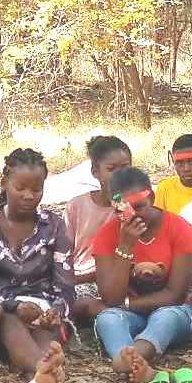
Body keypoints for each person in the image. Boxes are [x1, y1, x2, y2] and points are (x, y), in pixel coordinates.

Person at [0, 149, 74, 383]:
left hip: (44, 310)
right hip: (1, 311)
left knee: (46, 334)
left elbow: (66, 282)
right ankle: (41, 369)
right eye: (20, 188)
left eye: (36, 190)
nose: (29, 196)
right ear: (4, 183)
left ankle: (40, 378)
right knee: (9, 322)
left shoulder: (54, 226)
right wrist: (16, 306)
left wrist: (57, 309)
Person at [91, 168, 192, 383]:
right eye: (124, 210)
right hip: (130, 316)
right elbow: (111, 298)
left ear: (151, 197)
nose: (133, 215)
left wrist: (128, 303)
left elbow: (175, 294)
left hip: (174, 311)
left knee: (165, 317)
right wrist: (125, 245)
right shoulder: (107, 234)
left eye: (139, 206)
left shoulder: (179, 228)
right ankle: (138, 365)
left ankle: (128, 359)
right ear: (114, 207)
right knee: (108, 318)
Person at [66, 136, 132, 323]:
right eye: (111, 169)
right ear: (95, 172)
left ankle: (116, 312)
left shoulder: (134, 207)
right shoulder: (76, 206)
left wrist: (121, 204)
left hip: (118, 279)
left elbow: (137, 244)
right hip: (81, 282)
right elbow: (63, 253)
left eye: (125, 168)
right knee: (75, 302)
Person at [153, 134, 192, 214]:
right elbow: (158, 223)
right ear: (173, 162)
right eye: (179, 163)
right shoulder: (164, 188)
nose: (186, 168)